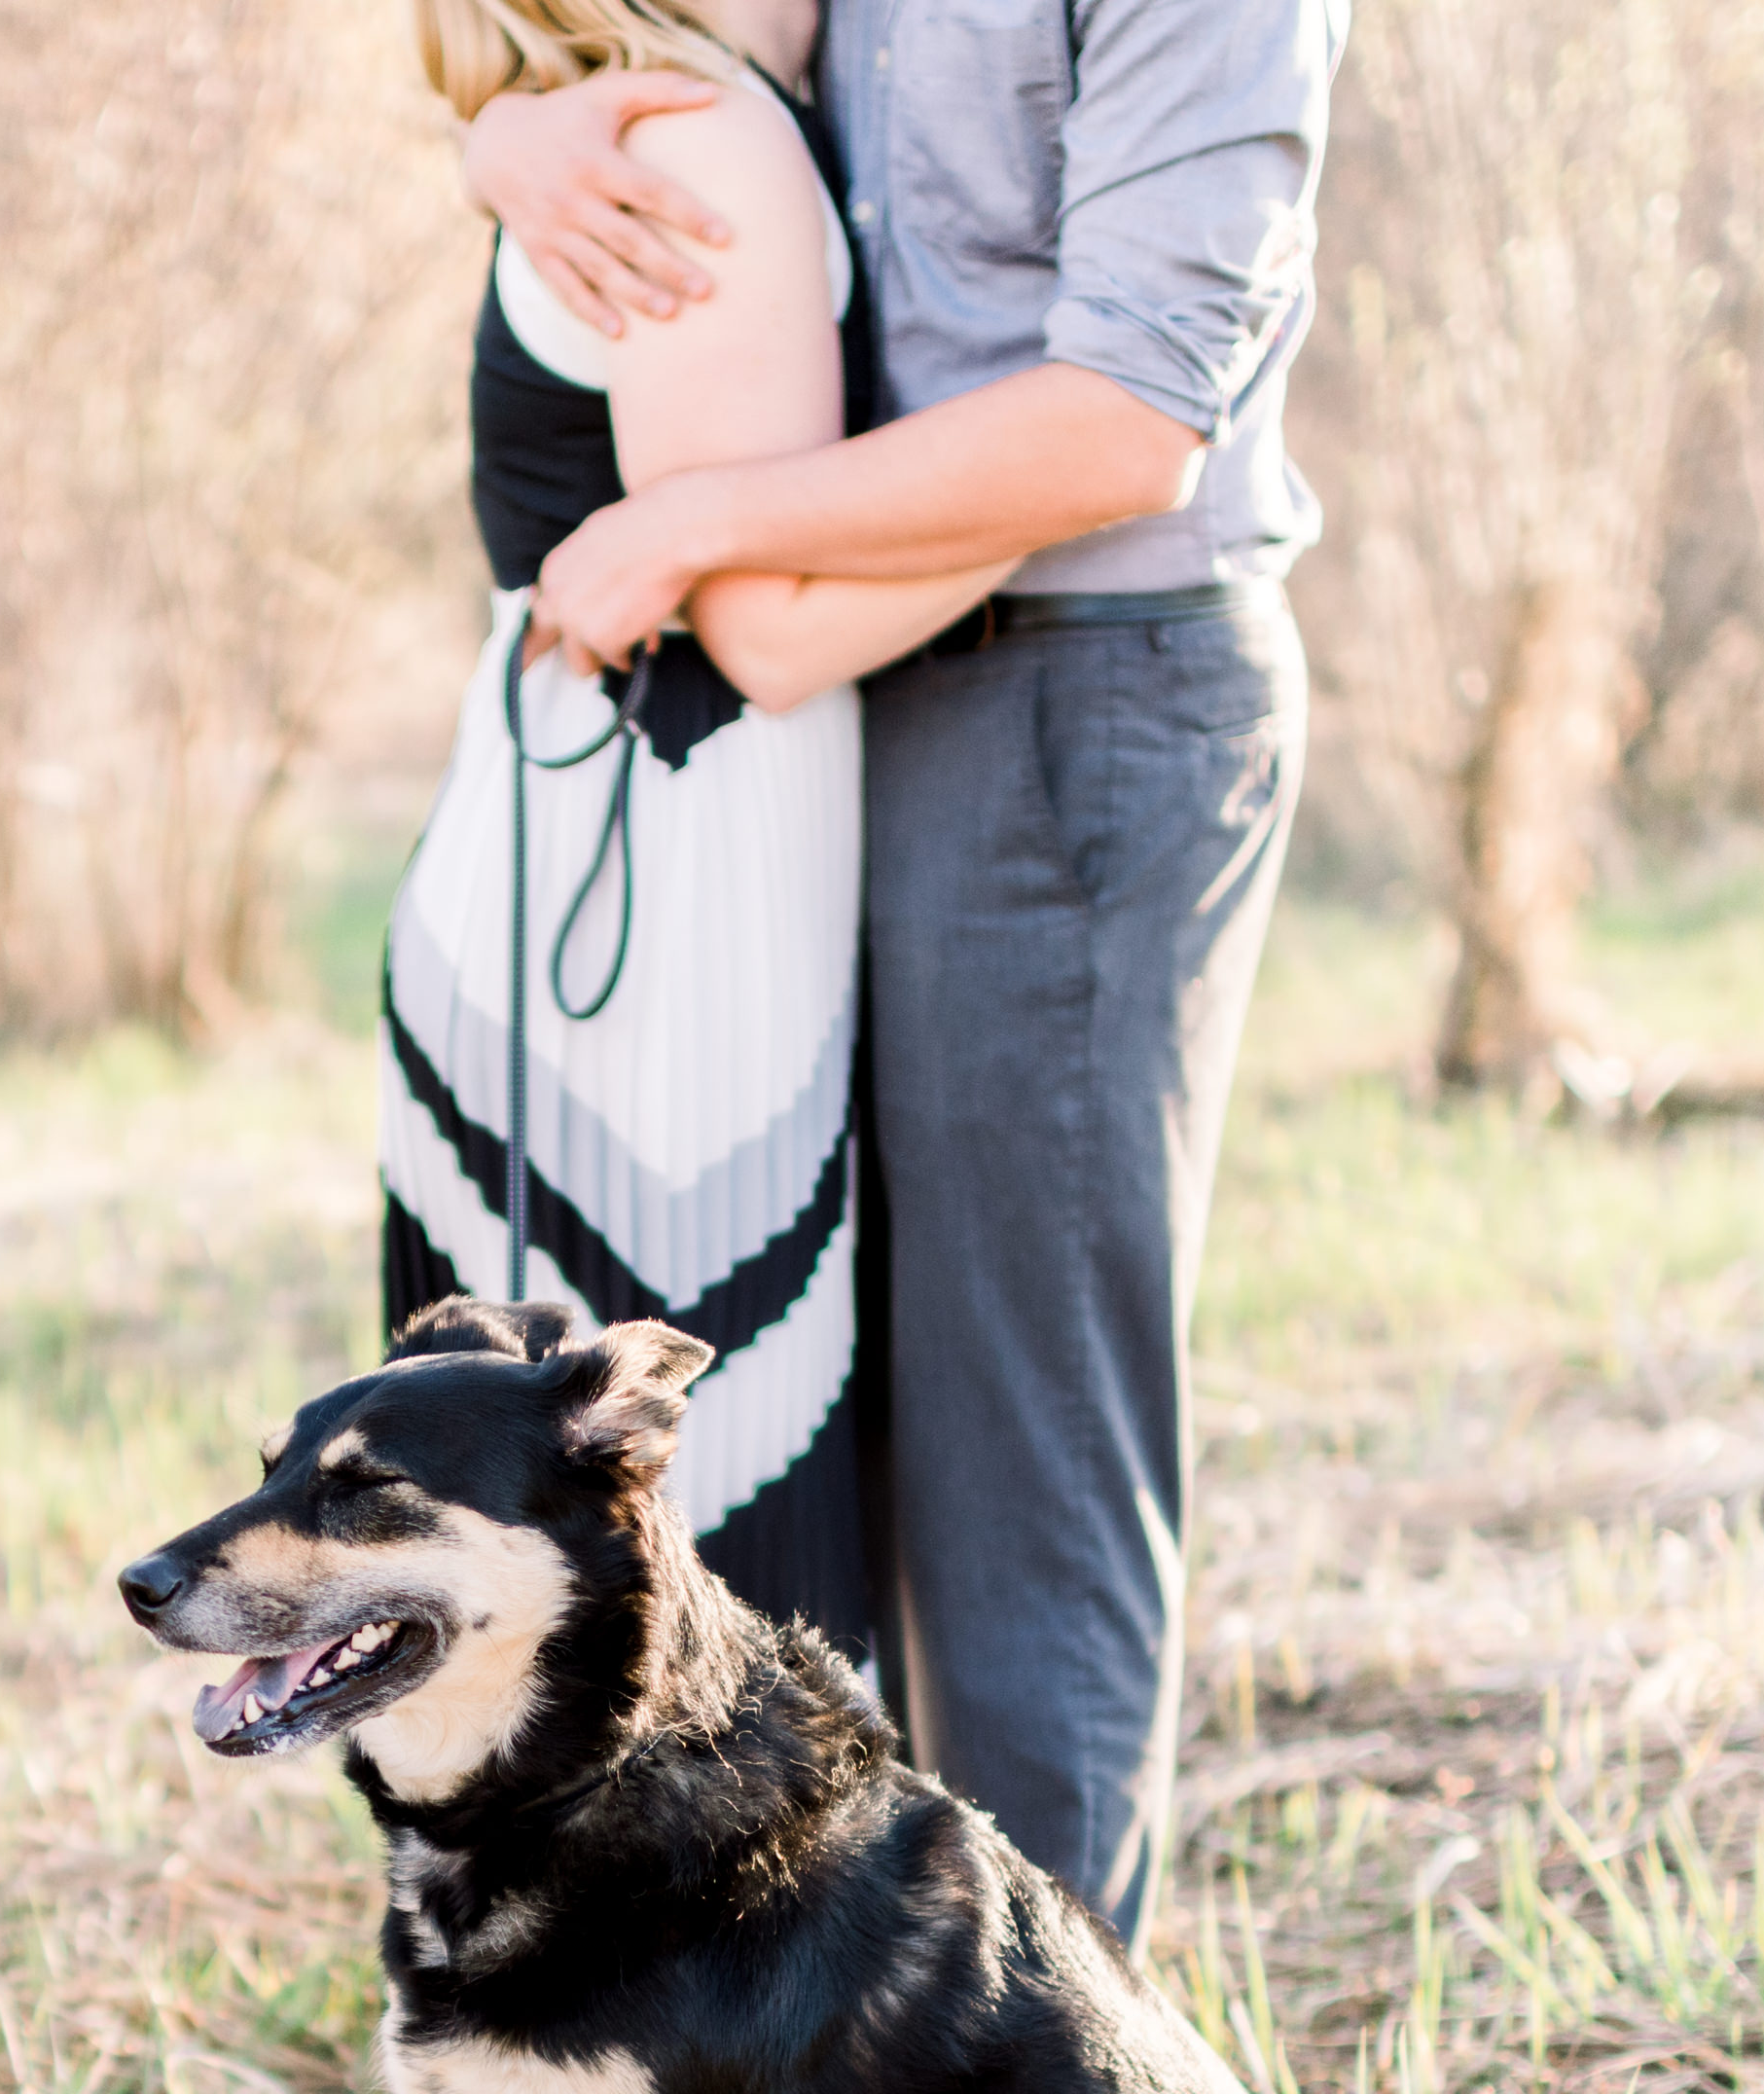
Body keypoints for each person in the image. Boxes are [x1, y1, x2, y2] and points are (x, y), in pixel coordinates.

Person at [465, 0, 1343, 1946]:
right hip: (860, 710)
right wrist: (505, 143)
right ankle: (850, 2078)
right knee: (828, 1434)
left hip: (1076, 689)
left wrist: (695, 521)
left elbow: (1131, 418)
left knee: (1017, 1457)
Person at [386, 0, 1015, 1653]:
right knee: (683, 1558)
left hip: (631, 876)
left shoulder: (652, 116)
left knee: (605, 1562)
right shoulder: (694, 136)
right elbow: (768, 635)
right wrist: (1090, 474)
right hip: (654, 921)